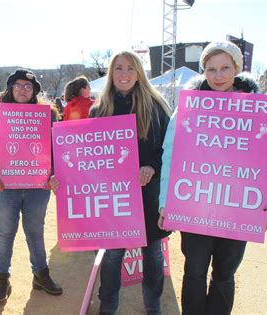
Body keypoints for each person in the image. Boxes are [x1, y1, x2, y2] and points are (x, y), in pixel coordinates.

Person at [158, 41, 267, 315]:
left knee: (224, 276)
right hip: (196, 206)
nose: (218, 76)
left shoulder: (259, 110)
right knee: (194, 273)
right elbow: (171, 154)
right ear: (203, 71)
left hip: (238, 209)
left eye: (225, 68)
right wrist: (165, 201)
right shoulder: (189, 107)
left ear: (237, 68)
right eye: (211, 69)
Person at [55, 51, 170, 314]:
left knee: (152, 254)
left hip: (149, 195)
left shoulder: (156, 105)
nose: (125, 74)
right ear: (111, 73)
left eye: (130, 68)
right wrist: (64, 174)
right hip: (113, 198)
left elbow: (171, 150)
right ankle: (108, 306)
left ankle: (154, 307)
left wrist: (152, 166)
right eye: (118, 68)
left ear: (139, 72)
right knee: (111, 255)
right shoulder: (100, 108)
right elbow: (86, 154)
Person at [0, 69, 62, 305]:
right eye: (17, 85)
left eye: (28, 86)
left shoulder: (46, 114)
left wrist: (54, 174)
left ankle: (40, 274)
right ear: (10, 88)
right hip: (6, 185)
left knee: (35, 230)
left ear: (35, 91)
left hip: (38, 184)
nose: (22, 89)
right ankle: (1, 279)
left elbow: (56, 148)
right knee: (5, 232)